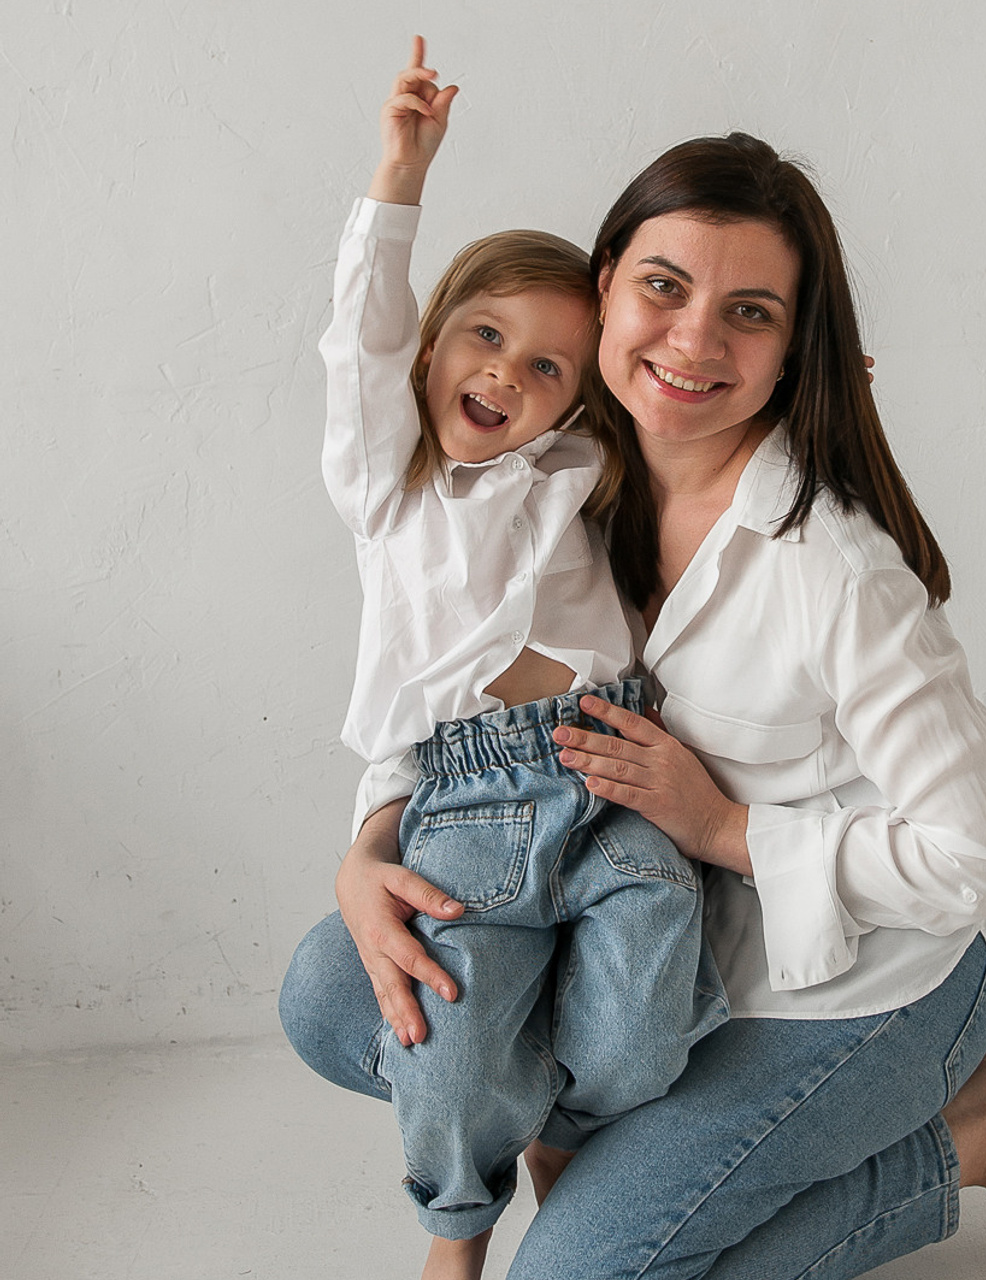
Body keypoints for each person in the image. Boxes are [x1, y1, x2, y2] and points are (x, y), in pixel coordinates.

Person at [285, 61, 986, 1280]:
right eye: (663, 288)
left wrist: (726, 826)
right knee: (327, 988)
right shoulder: (562, 464)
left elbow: (985, 856)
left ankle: (976, 1122)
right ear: (602, 287)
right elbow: (445, 656)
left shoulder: (833, 569)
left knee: (575, 1274)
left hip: (852, 984)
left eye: (751, 314)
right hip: (649, 942)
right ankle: (586, 1122)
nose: (691, 340)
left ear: (794, 347)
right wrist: (372, 846)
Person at [281, 41, 726, 1280]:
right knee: (448, 1032)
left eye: (544, 369)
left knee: (644, 1018)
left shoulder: (581, 472)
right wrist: (399, 177)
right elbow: (355, 346)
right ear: (431, 348)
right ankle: (457, 1226)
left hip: (614, 761)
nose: (505, 375)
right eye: (483, 337)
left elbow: (686, 408)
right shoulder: (393, 485)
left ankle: (564, 1134)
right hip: (469, 798)